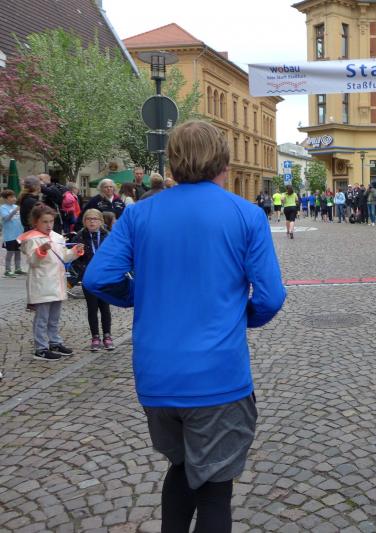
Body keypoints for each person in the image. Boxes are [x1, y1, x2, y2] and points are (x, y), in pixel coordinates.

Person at [83, 120, 286, 531]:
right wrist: (242, 318)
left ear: (172, 163)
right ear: (224, 162)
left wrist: (139, 295)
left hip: (157, 376)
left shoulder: (140, 214)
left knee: (180, 468)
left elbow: (98, 278)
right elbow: (270, 297)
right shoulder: (246, 214)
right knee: (214, 489)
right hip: (218, 376)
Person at [19, 204, 84, 361]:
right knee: (42, 318)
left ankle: (55, 342)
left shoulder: (57, 237)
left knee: (54, 317)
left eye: (51, 221)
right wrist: (41, 250)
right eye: (45, 222)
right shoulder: (31, 239)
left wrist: (74, 252)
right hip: (42, 283)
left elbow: (64, 257)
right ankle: (40, 348)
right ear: (36, 222)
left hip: (57, 282)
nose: (49, 225)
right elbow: (32, 262)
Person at [70, 209, 114, 351]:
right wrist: (83, 270)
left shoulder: (108, 236)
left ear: (101, 221)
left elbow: (114, 255)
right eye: (88, 219)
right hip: (88, 278)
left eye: (95, 219)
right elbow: (73, 259)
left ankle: (107, 335)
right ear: (84, 221)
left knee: (105, 307)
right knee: (92, 308)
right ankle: (95, 336)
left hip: (104, 278)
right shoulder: (79, 237)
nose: (92, 221)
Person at [2, 189, 25, 277]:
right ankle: (7, 270)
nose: (14, 198)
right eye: (11, 197)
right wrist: (14, 211)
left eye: (14, 196)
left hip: (19, 234)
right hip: (9, 235)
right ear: (5, 199)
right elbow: (6, 218)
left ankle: (18, 269)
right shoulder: (3, 208)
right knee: (10, 252)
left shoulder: (16, 206)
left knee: (18, 251)